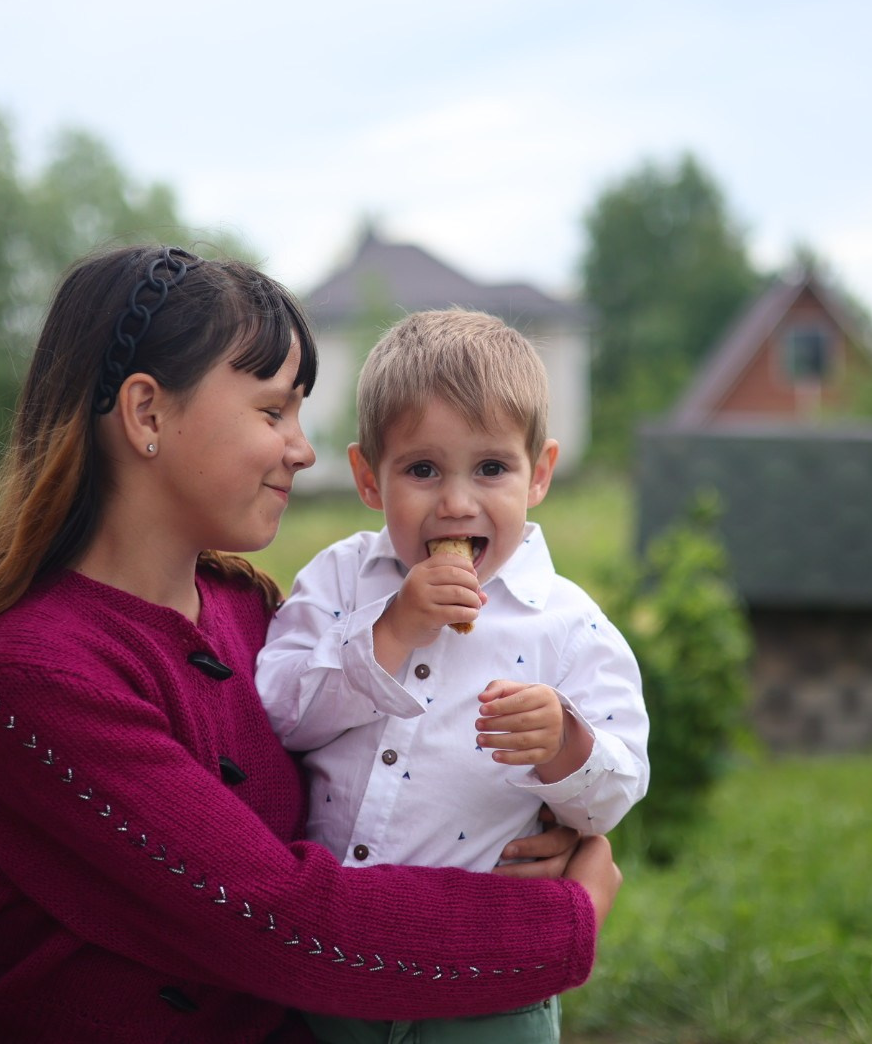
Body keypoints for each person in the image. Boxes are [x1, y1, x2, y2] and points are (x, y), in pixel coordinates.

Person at [0, 247, 621, 1044]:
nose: (303, 448)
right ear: (147, 414)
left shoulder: (247, 611)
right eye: (272, 412)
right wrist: (569, 914)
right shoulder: (33, 673)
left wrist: (549, 806)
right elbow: (275, 919)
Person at [256, 309, 650, 1043]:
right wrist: (392, 630)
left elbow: (614, 797)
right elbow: (279, 713)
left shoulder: (567, 625)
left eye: (492, 468)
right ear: (370, 479)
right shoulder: (343, 581)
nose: (458, 502)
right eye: (423, 469)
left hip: (488, 983)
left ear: (540, 475)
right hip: (329, 967)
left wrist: (566, 743)